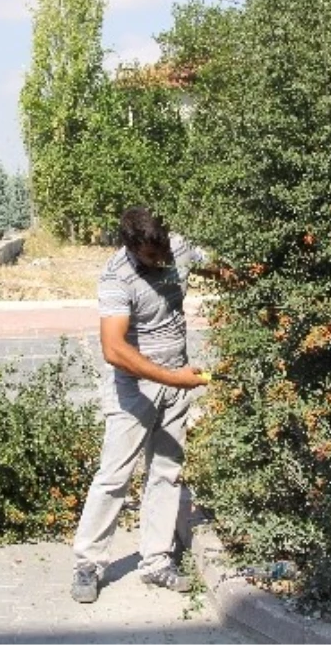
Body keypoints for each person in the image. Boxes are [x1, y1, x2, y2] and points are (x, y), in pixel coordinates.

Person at [70, 206, 211, 603]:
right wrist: (174, 378)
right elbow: (114, 349)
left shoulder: (176, 247)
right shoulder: (117, 277)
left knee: (166, 473)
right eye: (152, 256)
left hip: (176, 384)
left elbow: (218, 266)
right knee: (114, 475)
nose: (162, 260)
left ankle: (156, 562)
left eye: (164, 251)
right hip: (133, 391)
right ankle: (88, 564)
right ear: (132, 248)